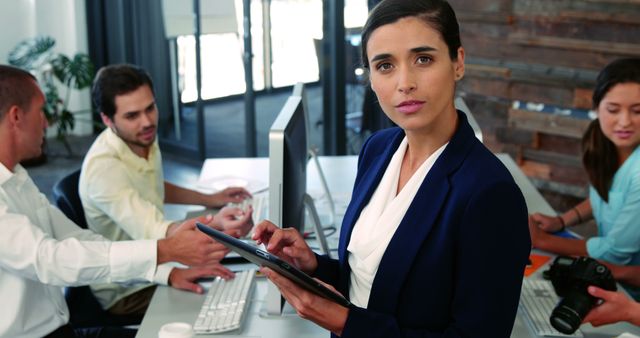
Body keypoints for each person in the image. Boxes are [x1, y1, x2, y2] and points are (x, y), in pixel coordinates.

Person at [252, 1, 531, 337]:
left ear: (458, 62)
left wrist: (343, 322)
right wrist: (313, 265)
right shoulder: (378, 149)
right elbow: (375, 282)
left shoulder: (489, 192)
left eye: (423, 59)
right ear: (370, 77)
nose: (404, 83)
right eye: (385, 65)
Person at [0, 64, 227, 337]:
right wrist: (164, 250)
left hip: (63, 328)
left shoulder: (17, 177)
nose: (47, 122)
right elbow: (50, 260)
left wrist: (164, 271)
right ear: (16, 117)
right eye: (41, 111)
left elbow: (82, 239)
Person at [78, 64, 254, 316]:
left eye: (150, 108)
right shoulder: (104, 170)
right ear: (107, 120)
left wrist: (210, 199)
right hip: (130, 286)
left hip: (161, 256)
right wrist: (214, 227)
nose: (147, 121)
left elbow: (152, 186)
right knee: (224, 306)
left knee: (238, 282)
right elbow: (156, 231)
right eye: (132, 115)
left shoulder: (139, 136)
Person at [528, 58, 640, 298]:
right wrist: (561, 222)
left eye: (638, 111)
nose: (624, 122)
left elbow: (615, 253)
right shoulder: (606, 144)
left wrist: (542, 241)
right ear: (598, 108)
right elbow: (605, 196)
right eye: (613, 110)